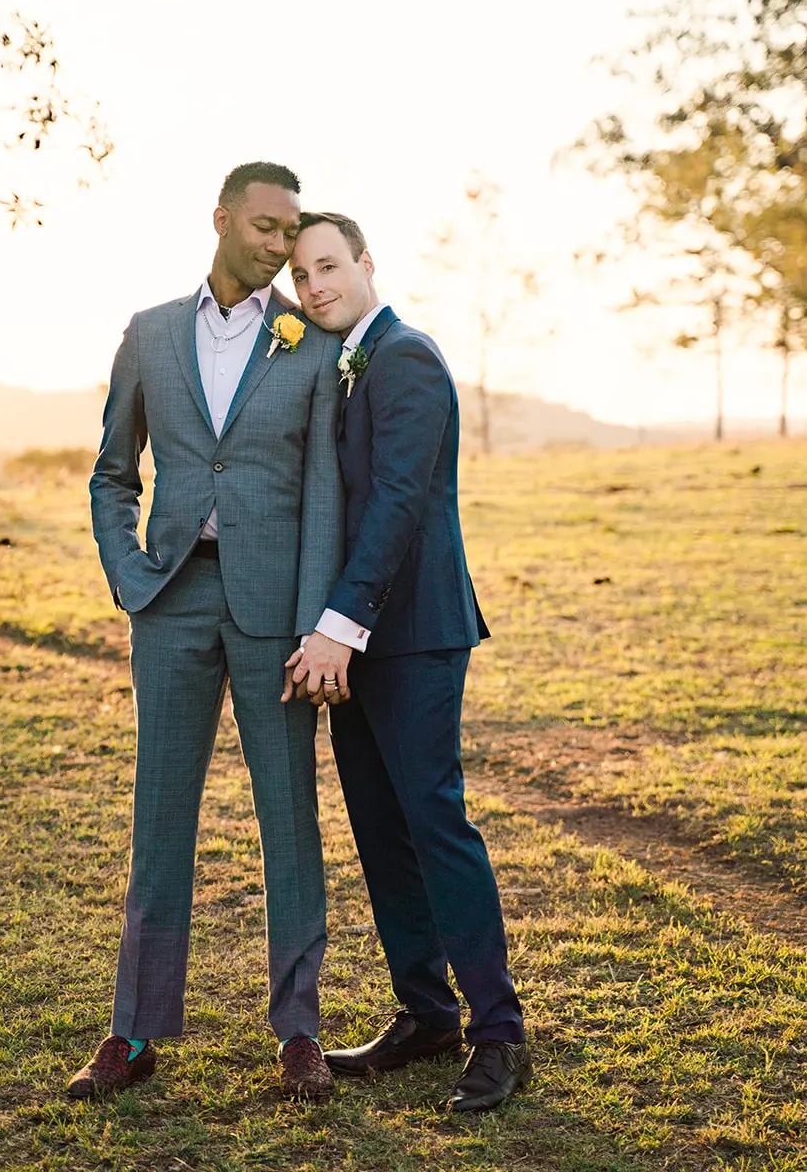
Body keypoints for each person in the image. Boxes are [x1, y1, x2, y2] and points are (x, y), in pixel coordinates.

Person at [67, 163, 343, 1103]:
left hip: (275, 617)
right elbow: (112, 472)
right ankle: (133, 1033)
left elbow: (323, 496)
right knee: (159, 818)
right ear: (221, 219)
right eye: (265, 228)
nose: (279, 248)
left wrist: (314, 624)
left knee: (288, 821)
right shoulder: (147, 334)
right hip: (171, 601)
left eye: (290, 232)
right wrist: (129, 580)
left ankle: (300, 1030)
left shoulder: (308, 341)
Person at [283, 210, 531, 1113]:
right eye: (302, 277)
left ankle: (498, 1033)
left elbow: (396, 502)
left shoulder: (406, 357)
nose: (314, 289)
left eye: (327, 267)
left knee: (434, 824)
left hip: (415, 630)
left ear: (364, 263)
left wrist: (338, 624)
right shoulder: (342, 366)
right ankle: (425, 1014)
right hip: (355, 640)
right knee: (380, 828)